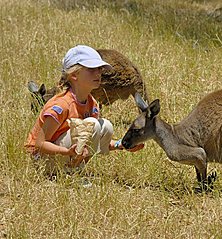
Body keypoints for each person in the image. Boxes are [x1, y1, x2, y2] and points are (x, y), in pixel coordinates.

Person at [25, 45, 143, 173]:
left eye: (100, 69)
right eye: (92, 69)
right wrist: (66, 151)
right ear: (75, 75)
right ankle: (71, 170)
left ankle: (74, 170)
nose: (99, 73)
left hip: (64, 154)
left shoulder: (91, 103)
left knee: (105, 126)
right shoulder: (61, 105)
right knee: (93, 125)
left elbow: (95, 139)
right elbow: (39, 144)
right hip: (41, 160)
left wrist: (122, 144)